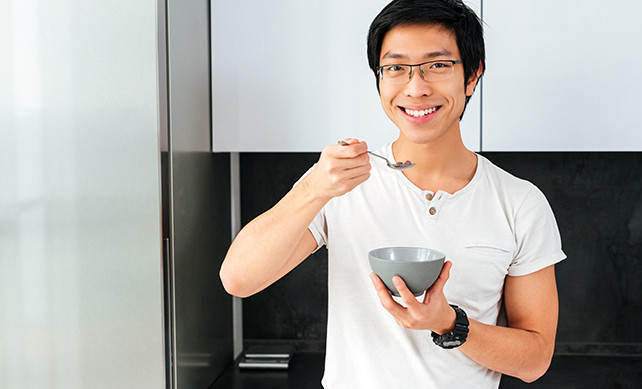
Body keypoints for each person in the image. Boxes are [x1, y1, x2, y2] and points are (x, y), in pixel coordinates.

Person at [220, 0, 566, 387]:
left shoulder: (519, 202)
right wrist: (313, 189)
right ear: (380, 79)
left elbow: (534, 360)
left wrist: (450, 324)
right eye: (396, 68)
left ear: (472, 76)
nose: (415, 88)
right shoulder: (338, 183)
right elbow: (238, 279)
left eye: (438, 65)